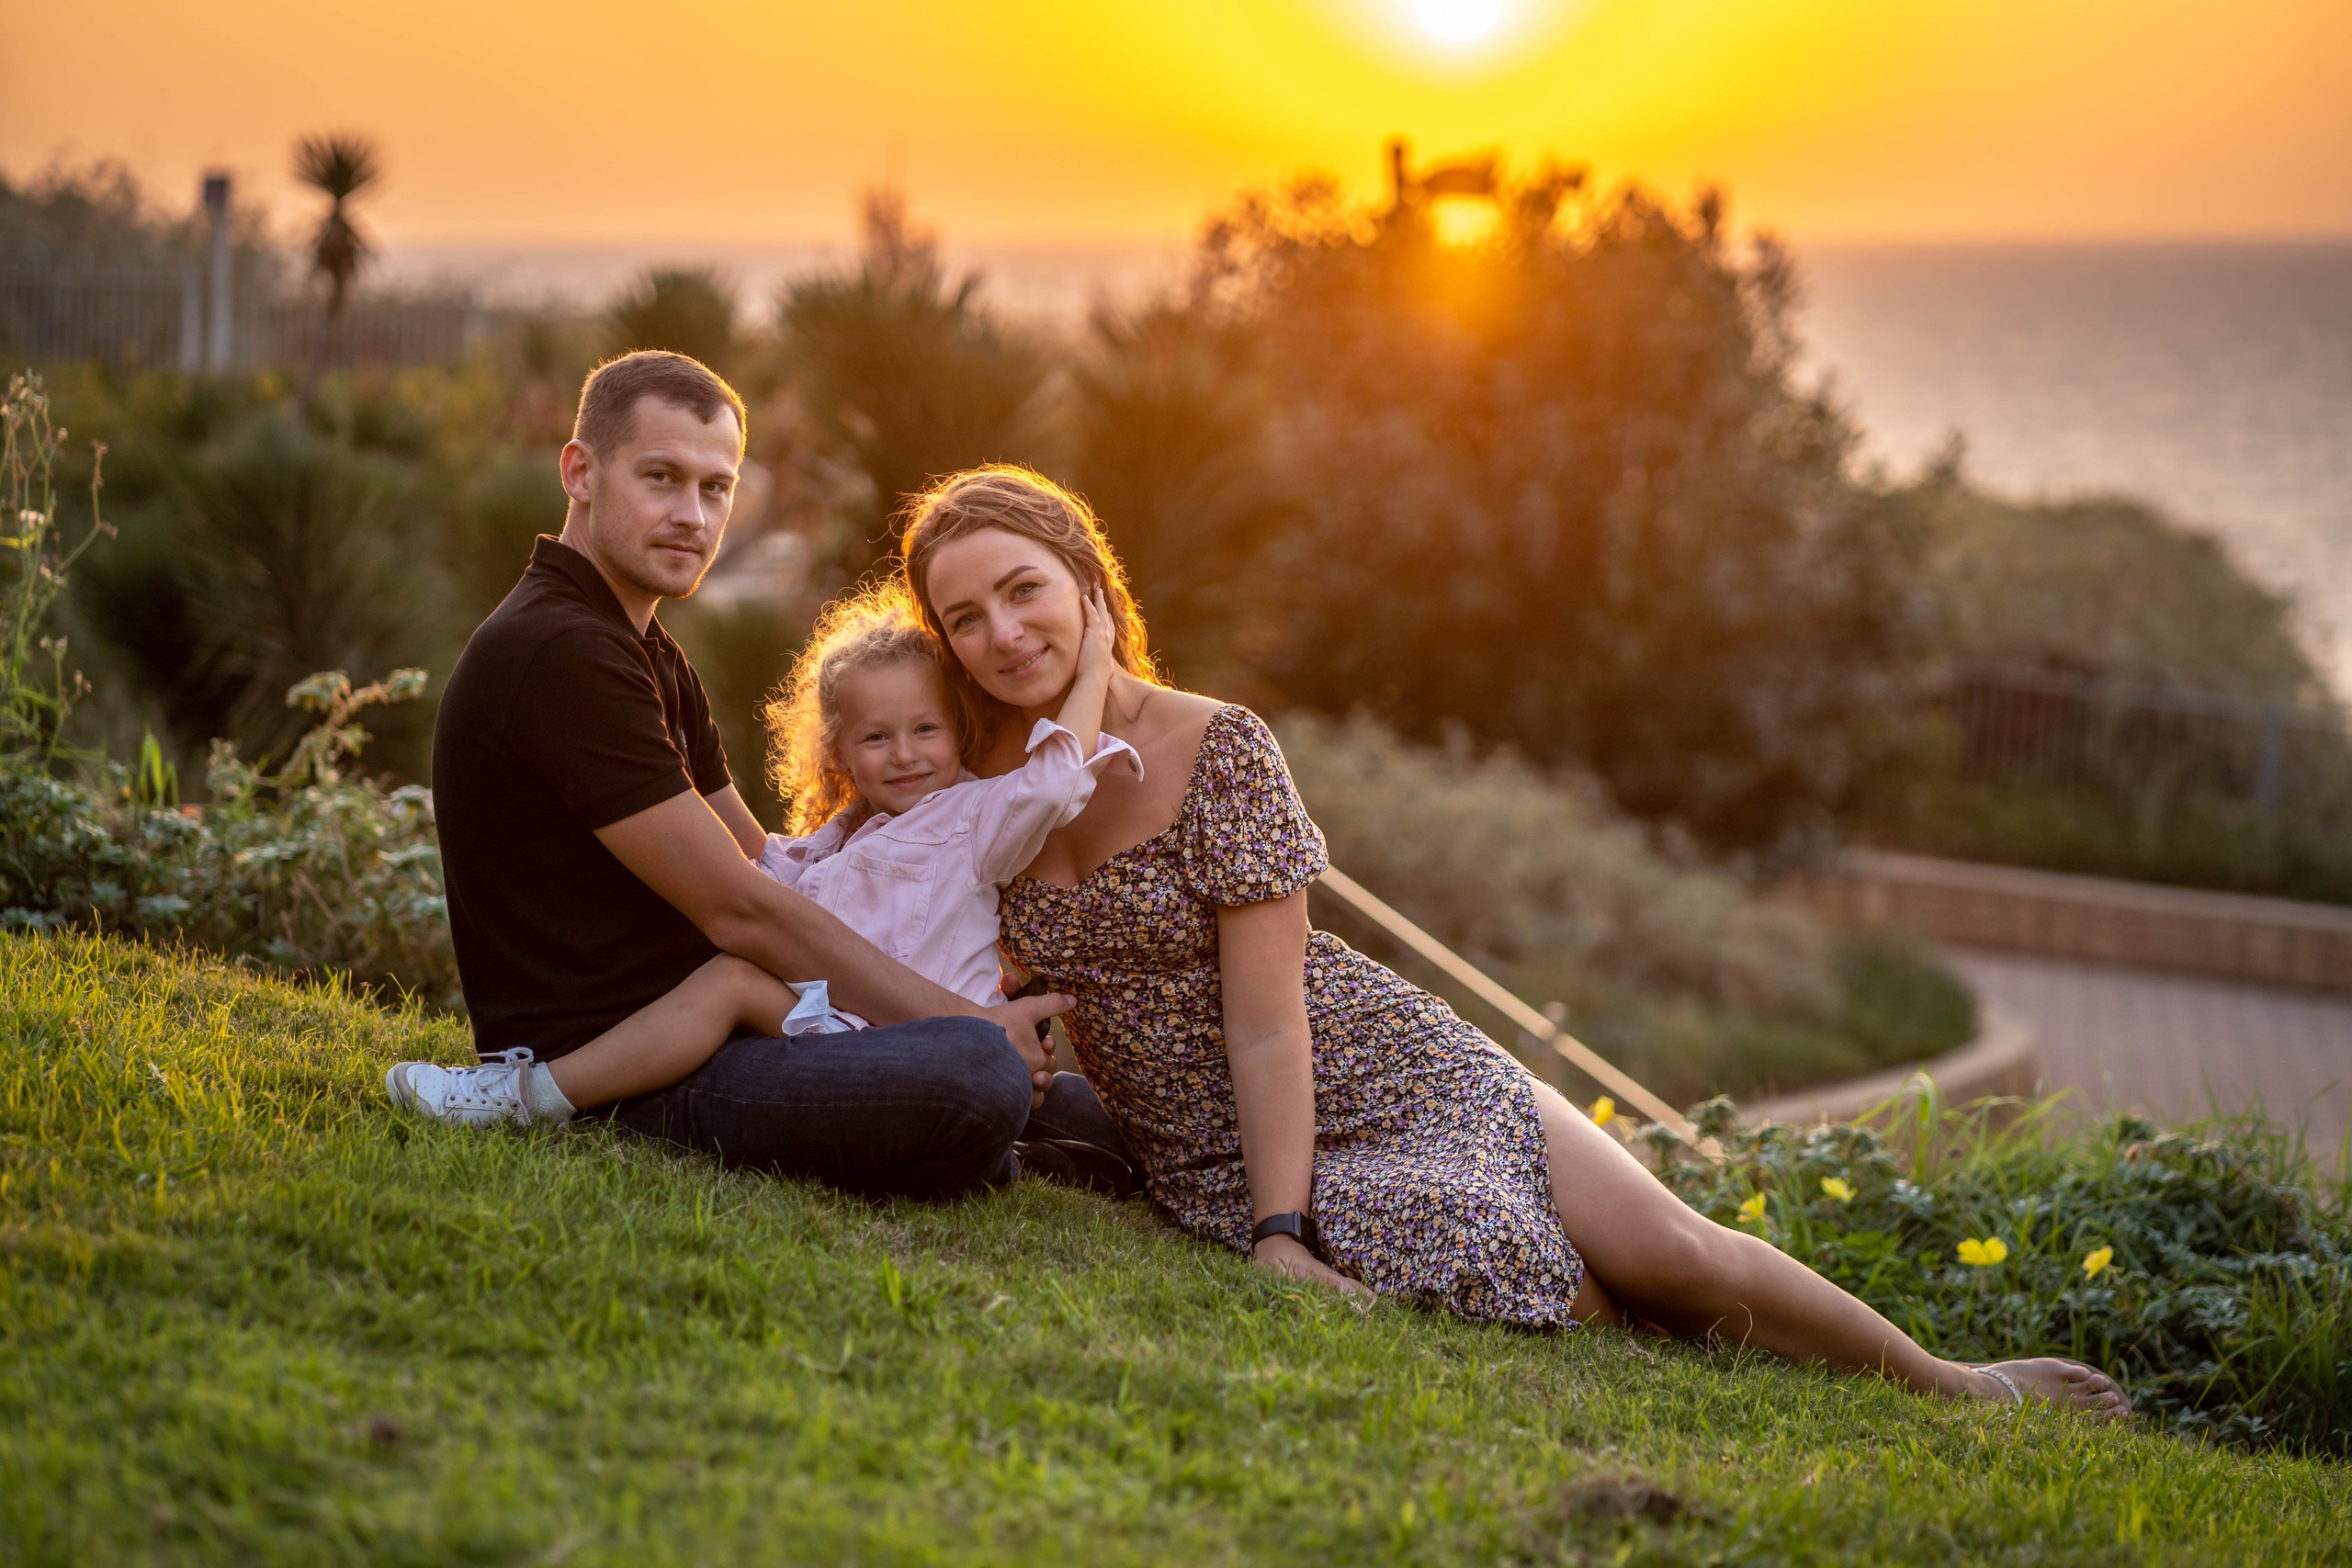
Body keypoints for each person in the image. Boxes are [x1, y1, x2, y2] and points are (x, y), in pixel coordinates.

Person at [899, 462, 2130, 1417]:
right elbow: (867, 900)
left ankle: (1959, 1382)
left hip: (1371, 1061)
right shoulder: (963, 787)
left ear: (1089, 587)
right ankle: (1655, 1342)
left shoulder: (1218, 744)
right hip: (1210, 1152)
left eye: (1025, 591)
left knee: (1676, 1250)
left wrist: (1283, 1234)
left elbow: (1271, 1016)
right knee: (1490, 1253)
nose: (1004, 634)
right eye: (965, 617)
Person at [388, 352, 1125, 1198]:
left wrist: (915, 880)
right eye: (661, 478)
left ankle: (1004, 1139)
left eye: (716, 487)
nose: (692, 515)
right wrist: (972, 1021)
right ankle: (969, 1134)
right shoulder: (560, 651)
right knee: (975, 1072)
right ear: (580, 472)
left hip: (747, 1022)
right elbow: (739, 908)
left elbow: (758, 858)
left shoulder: (647, 652)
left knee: (1081, 1107)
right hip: (633, 1061)